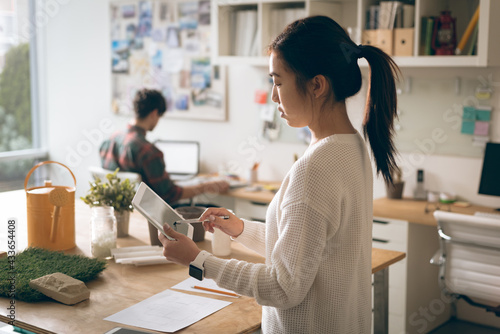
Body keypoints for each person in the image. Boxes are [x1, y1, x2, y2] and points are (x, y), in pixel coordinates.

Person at [158, 16, 400, 333]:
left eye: (278, 81)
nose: (274, 96)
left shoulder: (315, 169)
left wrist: (199, 261)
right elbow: (309, 249)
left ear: (317, 85)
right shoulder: (352, 147)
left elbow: (284, 288)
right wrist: (241, 229)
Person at [99, 88, 229, 205]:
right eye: (159, 117)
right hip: (152, 214)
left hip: (123, 212)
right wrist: (207, 186)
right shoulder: (148, 151)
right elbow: (170, 195)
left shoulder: (109, 141)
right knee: (213, 208)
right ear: (154, 113)